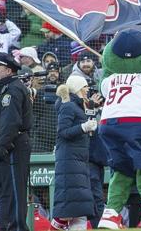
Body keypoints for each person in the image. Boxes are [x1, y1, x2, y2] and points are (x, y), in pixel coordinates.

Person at [0, 52, 32, 231]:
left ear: (8, 70)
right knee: (8, 190)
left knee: (14, 191)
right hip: (10, 144)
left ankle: (16, 227)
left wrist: (2, 146)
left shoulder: (12, 90)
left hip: (13, 145)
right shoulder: (5, 88)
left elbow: (10, 122)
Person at [51, 75, 96, 230]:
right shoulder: (68, 106)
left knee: (80, 209)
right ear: (77, 89)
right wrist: (84, 127)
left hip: (78, 161)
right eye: (84, 86)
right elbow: (63, 132)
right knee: (69, 208)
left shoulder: (77, 106)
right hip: (69, 161)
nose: (88, 89)